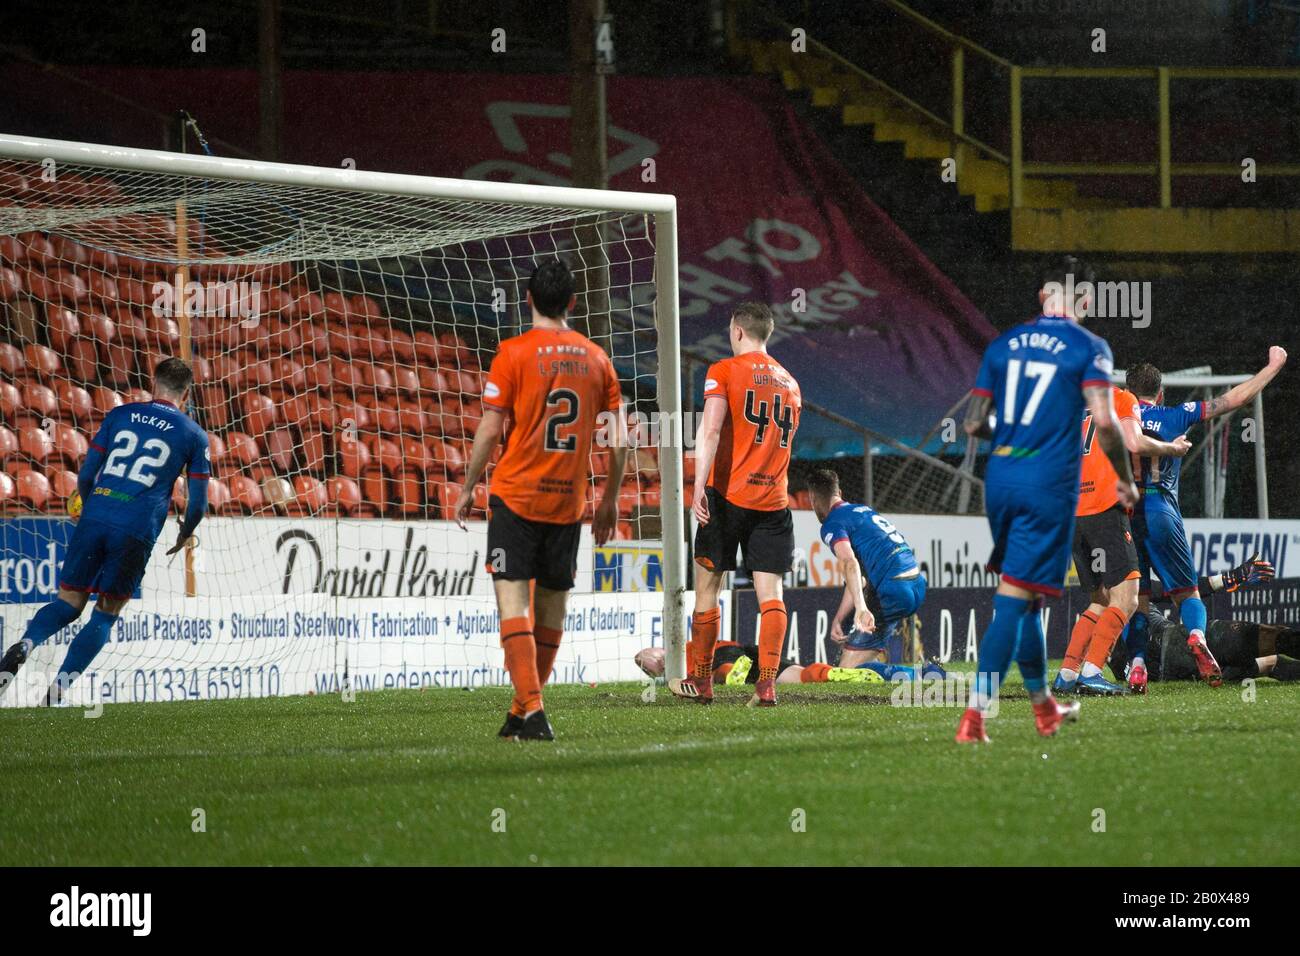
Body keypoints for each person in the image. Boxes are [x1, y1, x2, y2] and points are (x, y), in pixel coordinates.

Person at [955, 256, 1137, 743]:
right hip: (1047, 483)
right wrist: (1124, 478)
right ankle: (975, 715)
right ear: (1086, 301)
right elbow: (1105, 423)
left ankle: (1043, 706)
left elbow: (973, 423)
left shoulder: (1003, 344)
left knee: (1028, 597)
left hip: (1001, 479)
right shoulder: (1089, 346)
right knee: (1015, 597)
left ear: (1041, 296)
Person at [454, 259, 626, 741]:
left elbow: (491, 428)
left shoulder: (512, 353)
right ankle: (522, 711)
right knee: (552, 610)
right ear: (573, 302)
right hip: (568, 504)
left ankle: (532, 710)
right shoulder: (598, 359)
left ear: (527, 299)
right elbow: (619, 441)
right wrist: (609, 500)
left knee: (512, 603)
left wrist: (468, 486)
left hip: (515, 499)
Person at [0, 358, 209, 706]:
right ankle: (55, 694)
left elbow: (86, 476)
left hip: (95, 514)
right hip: (136, 527)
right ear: (186, 394)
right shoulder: (193, 435)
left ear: (153, 383)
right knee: (106, 613)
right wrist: (184, 532)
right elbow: (198, 504)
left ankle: (26, 643)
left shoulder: (120, 415)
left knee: (68, 601)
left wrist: (88, 509)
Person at [1124, 348, 1287, 687]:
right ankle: (1197, 635)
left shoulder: (1117, 418)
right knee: (1187, 595)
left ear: (1127, 392)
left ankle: (1137, 664)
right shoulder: (1176, 414)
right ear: (1160, 393)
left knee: (1136, 601)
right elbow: (1235, 398)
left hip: (1125, 514)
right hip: (1162, 510)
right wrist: (1273, 366)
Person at [668, 302, 801, 708]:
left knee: (708, 588)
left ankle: (702, 681)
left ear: (738, 331)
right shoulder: (792, 383)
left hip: (727, 498)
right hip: (774, 502)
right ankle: (767, 686)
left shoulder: (724, 370)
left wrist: (698, 486)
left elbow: (710, 431)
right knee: (771, 595)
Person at [1053, 384, 1190, 696]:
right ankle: (1092, 672)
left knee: (1101, 599)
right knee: (1127, 599)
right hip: (1105, 509)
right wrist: (1173, 448)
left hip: (1074, 513)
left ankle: (1067, 673)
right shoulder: (1121, 398)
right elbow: (1134, 441)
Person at [806, 468, 926, 670]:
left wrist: (861, 608)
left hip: (892, 590)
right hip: (916, 585)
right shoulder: (864, 510)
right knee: (854, 658)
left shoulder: (832, 523)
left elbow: (849, 562)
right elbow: (858, 578)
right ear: (839, 493)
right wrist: (839, 618)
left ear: (812, 498)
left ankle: (928, 674)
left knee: (846, 672)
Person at [1109, 608, 1300, 685]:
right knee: (1269, 639)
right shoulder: (1127, 591)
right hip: (1176, 641)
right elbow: (1185, 589)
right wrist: (1224, 579)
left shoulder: (1109, 647)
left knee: (1269, 662)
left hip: (1176, 675)